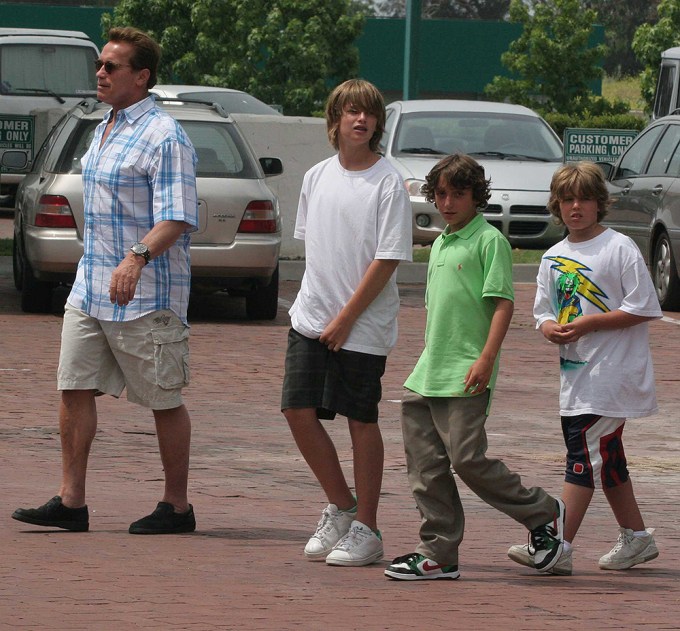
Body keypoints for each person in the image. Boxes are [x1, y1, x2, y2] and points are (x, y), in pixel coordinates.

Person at [12, 27, 199, 535]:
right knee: (73, 387)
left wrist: (136, 258)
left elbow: (177, 217)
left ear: (141, 77)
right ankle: (72, 502)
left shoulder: (165, 136)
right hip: (90, 287)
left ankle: (177, 506)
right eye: (100, 64)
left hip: (146, 295)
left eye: (111, 66)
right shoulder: (105, 127)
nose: (100, 72)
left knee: (163, 398)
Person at [384, 154, 565, 581]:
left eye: (458, 194)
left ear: (475, 196)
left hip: (467, 372)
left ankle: (542, 510)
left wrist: (486, 359)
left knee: (466, 459)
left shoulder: (489, 241)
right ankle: (439, 554)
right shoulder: (441, 243)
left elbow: (503, 302)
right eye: (441, 194)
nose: (447, 202)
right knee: (425, 468)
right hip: (427, 372)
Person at [281, 79, 412, 567]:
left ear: (377, 123)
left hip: (362, 326)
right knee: (298, 410)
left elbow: (386, 259)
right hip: (310, 318)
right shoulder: (315, 177)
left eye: (369, 114)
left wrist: (345, 320)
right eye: (351, 112)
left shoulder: (387, 181)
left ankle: (368, 528)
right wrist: (320, 318)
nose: (361, 120)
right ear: (334, 120)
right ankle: (341, 504)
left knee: (361, 419)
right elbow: (314, 249)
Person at [508, 161, 661, 574]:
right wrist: (549, 328)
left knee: (581, 458)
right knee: (606, 459)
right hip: (576, 378)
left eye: (583, 198)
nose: (575, 206)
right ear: (556, 206)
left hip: (611, 378)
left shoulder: (619, 247)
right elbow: (542, 311)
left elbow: (644, 306)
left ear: (599, 203)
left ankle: (556, 546)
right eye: (566, 199)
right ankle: (637, 538)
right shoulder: (553, 256)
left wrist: (592, 323)